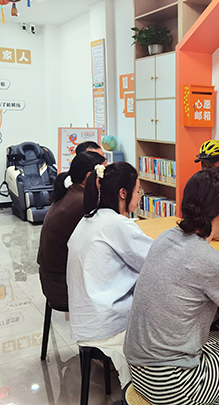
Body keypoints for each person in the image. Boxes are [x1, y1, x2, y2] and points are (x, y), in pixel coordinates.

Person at [124, 170, 219, 405]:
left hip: (138, 368)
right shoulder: (210, 260)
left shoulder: (167, 236)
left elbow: (200, 273)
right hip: (171, 383)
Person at [67, 162, 153, 388]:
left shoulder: (89, 218)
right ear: (123, 193)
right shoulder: (117, 224)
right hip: (107, 324)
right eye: (138, 190)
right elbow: (156, 262)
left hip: (86, 320)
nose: (140, 196)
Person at [37, 151, 106, 308]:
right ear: (90, 177)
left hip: (52, 281)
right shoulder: (84, 202)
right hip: (62, 287)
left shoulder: (70, 193)